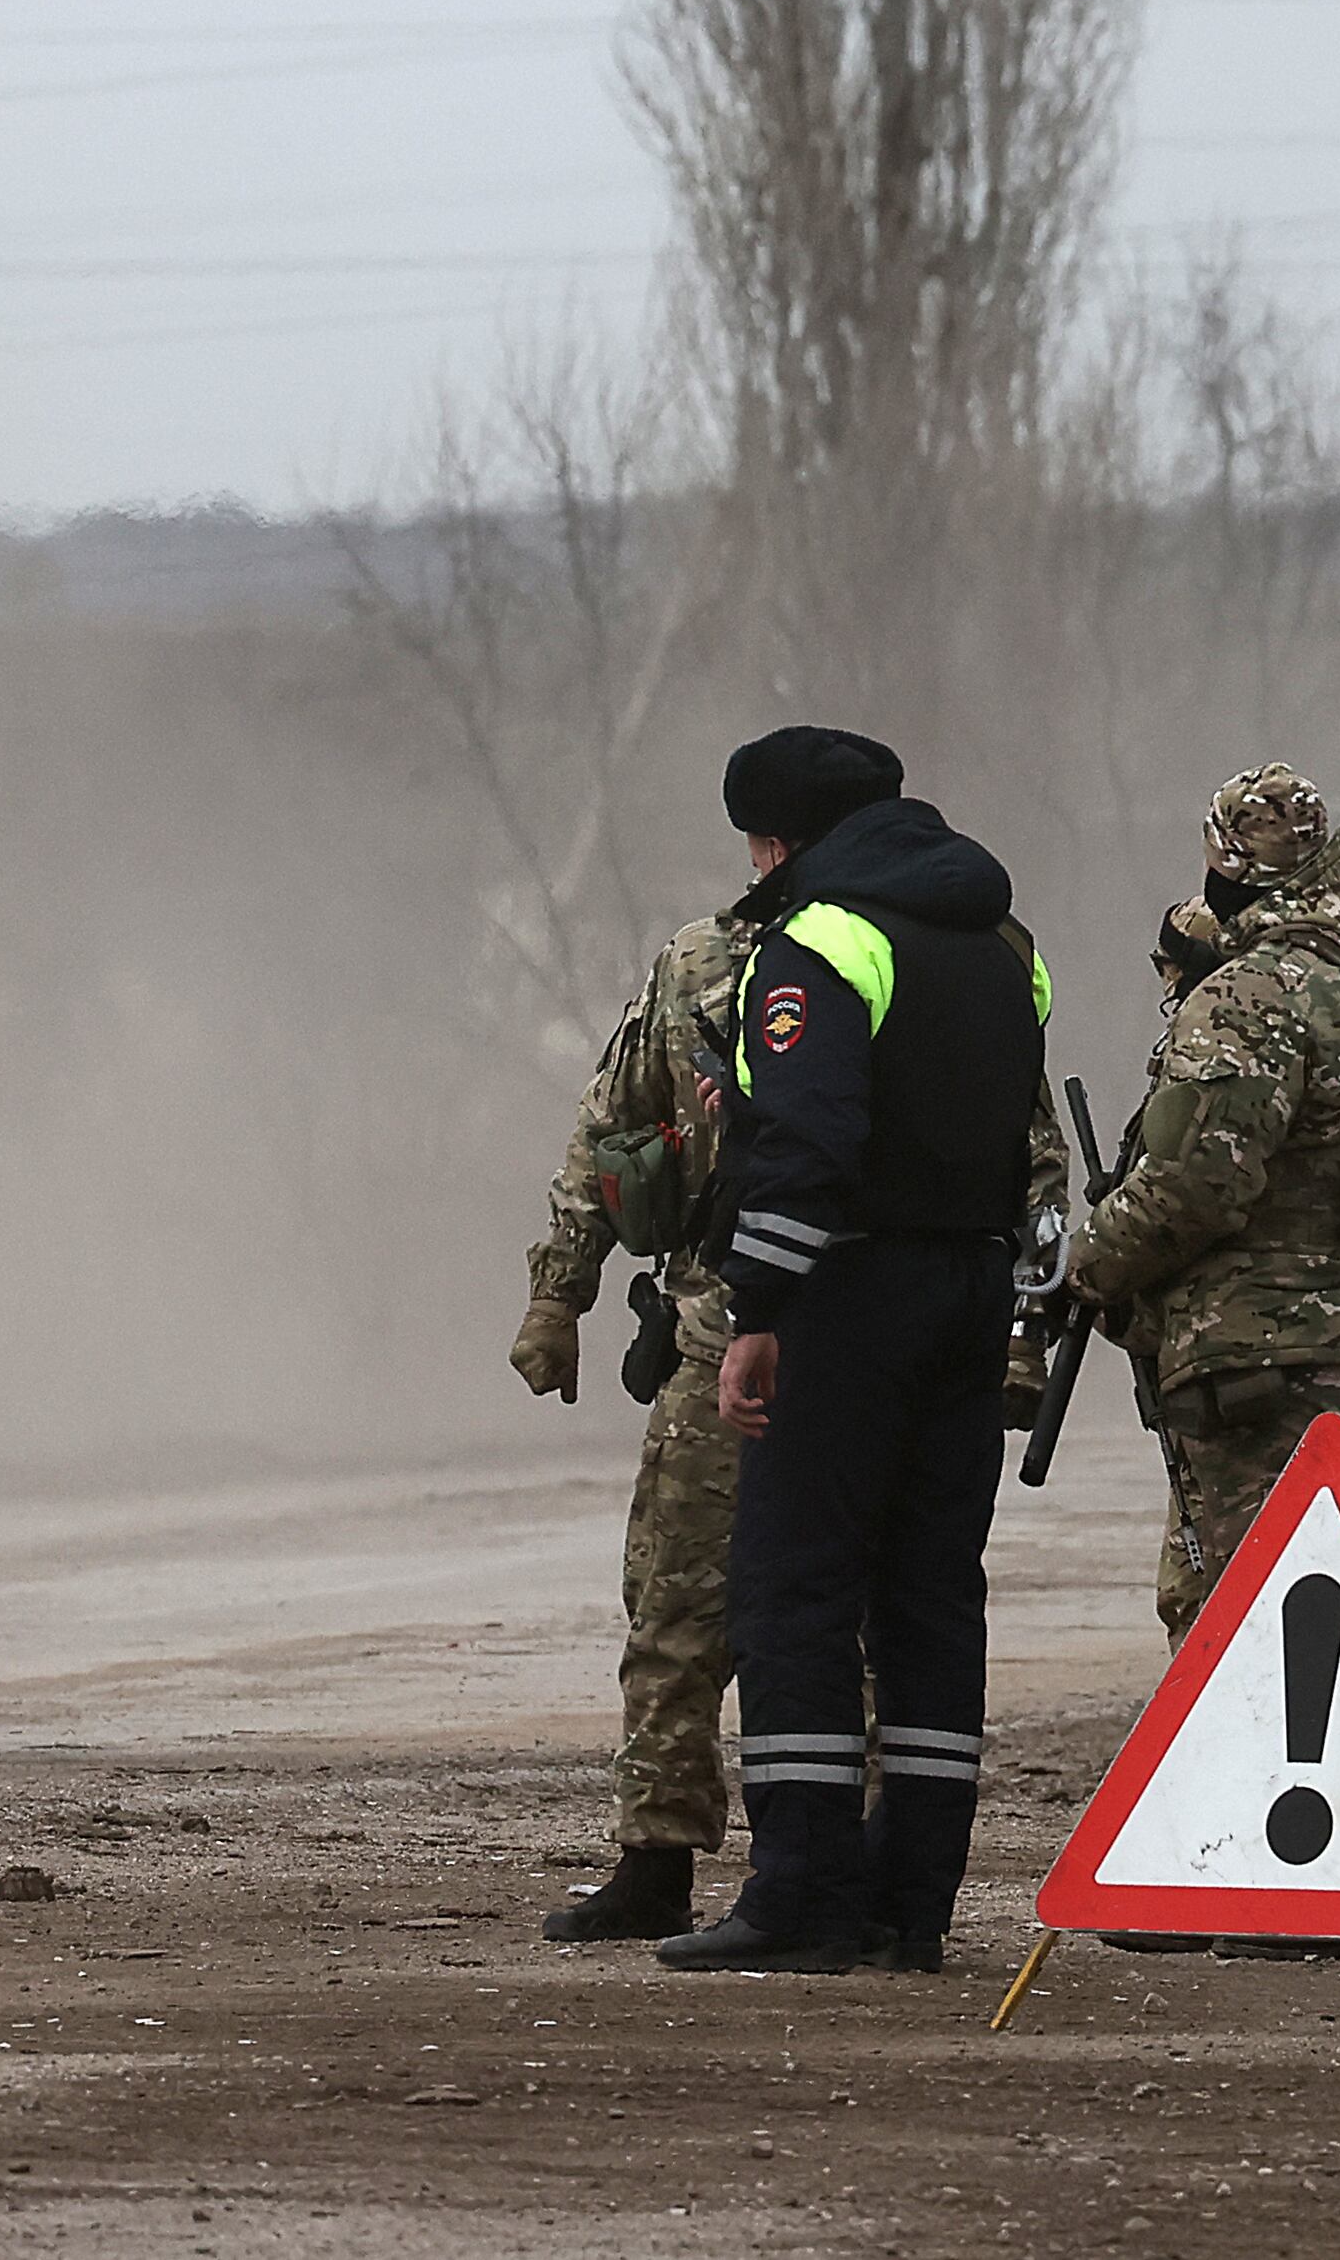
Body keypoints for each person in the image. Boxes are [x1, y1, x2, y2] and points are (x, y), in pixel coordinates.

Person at [655, 727, 1049, 1978]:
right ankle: (910, 1902)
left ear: (780, 841)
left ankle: (802, 1894)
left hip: (851, 1293)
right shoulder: (1000, 943)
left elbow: (810, 1142)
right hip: (972, 1287)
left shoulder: (819, 940)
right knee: (932, 1598)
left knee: (794, 1592)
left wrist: (756, 1307)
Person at [1071, 766, 1340, 1647]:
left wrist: (1084, 1261)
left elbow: (1198, 1182)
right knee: (1309, 1614)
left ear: (1233, 863)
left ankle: (1253, 1790)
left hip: (1250, 1354)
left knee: (1233, 1632)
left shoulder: (1253, 994)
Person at [513, 906, 757, 1941]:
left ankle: (844, 1866)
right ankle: (655, 1857)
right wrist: (556, 1295)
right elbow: (609, 1132)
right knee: (674, 1604)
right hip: (712, 1330)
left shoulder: (911, 965)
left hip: (842, 1338)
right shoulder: (697, 965)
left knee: (850, 1618)